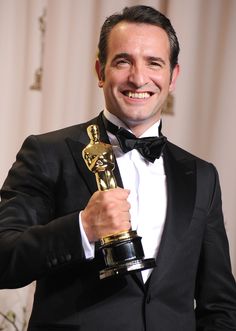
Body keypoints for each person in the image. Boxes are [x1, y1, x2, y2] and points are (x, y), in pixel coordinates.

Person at [0, 5, 236, 331]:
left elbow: (220, 304)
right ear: (100, 71)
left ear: (173, 76)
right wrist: (82, 228)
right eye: (123, 61)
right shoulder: (47, 153)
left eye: (154, 63)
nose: (138, 78)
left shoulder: (202, 175)